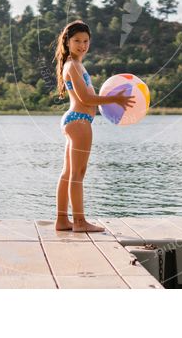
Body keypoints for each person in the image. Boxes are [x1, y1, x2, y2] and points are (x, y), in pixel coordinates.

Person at [53, 20, 135, 232]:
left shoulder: (75, 65)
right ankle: (79, 222)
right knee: (77, 173)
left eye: (86, 41)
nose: (82, 45)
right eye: (77, 41)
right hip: (79, 121)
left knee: (68, 172)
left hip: (75, 121)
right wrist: (115, 99)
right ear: (67, 42)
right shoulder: (73, 65)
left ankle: (62, 220)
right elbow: (86, 99)